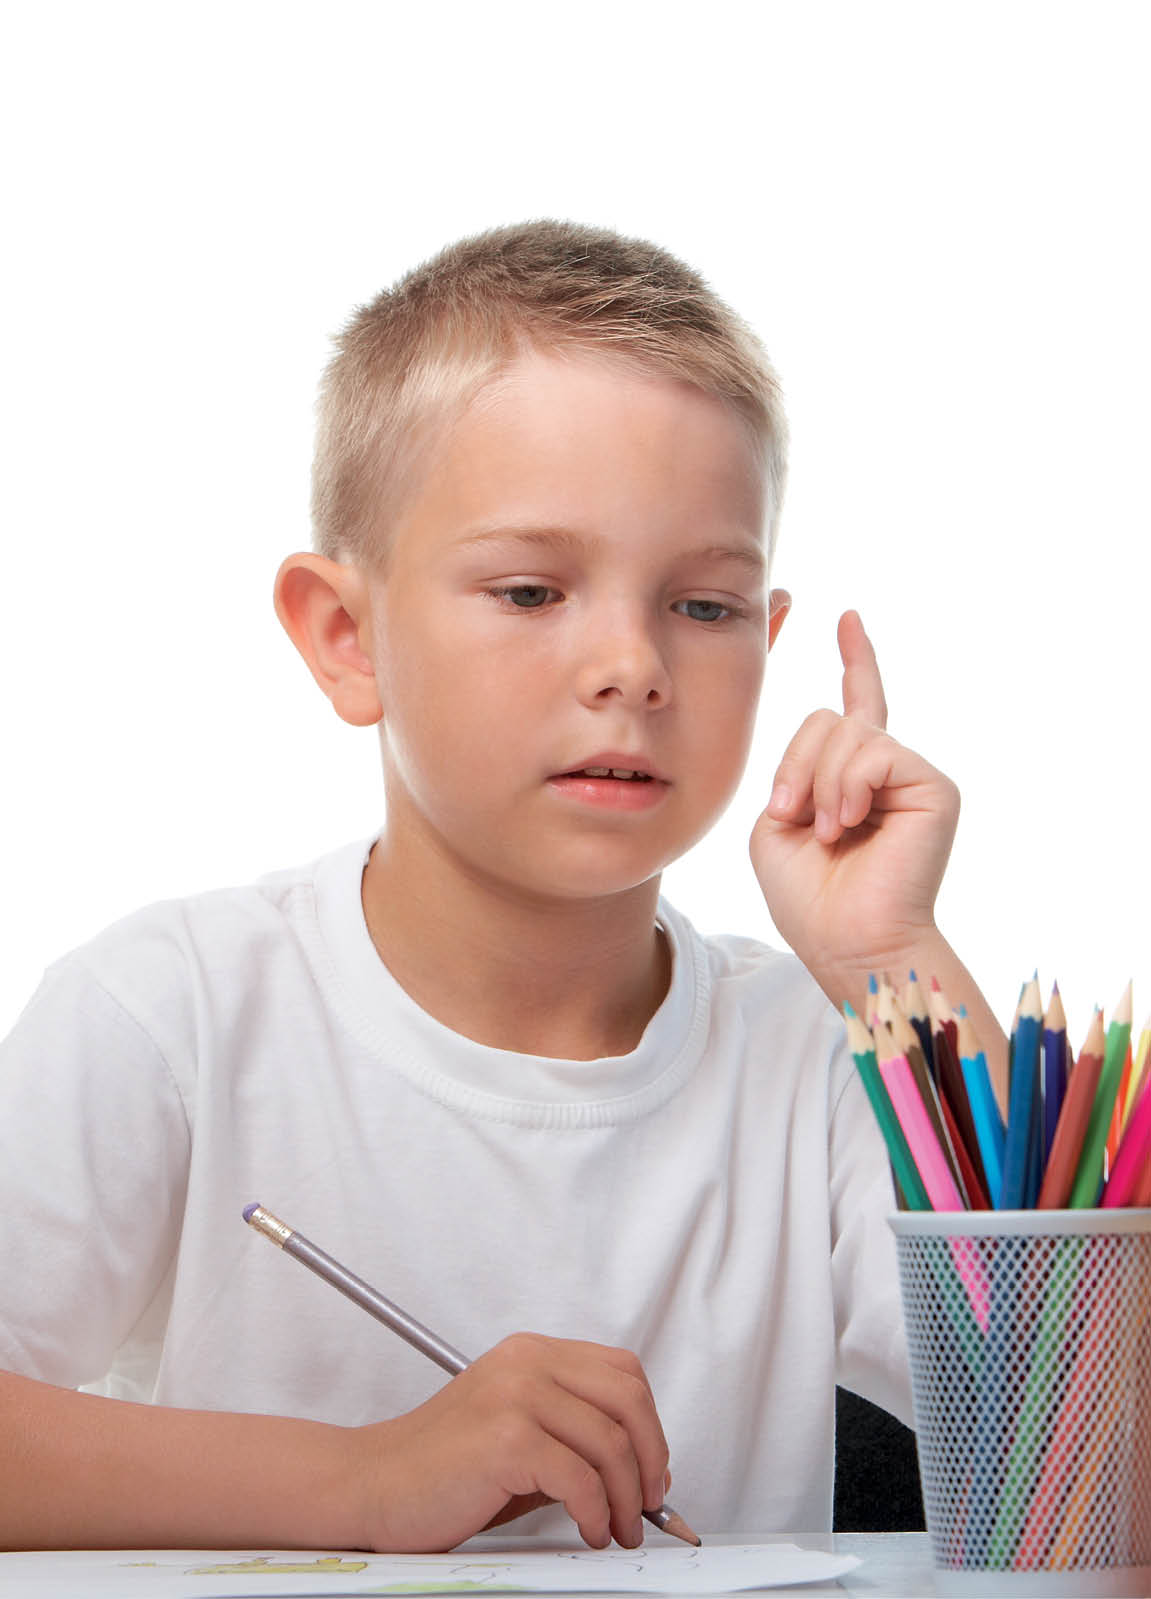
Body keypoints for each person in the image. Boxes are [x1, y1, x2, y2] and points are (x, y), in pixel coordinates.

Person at [0, 220, 1005, 1555]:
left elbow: (1096, 1438)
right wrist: (370, 1480)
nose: (633, 666)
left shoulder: (816, 1060)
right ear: (346, 637)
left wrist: (893, 953)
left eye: (703, 608)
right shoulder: (171, 1013)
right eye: (534, 590)